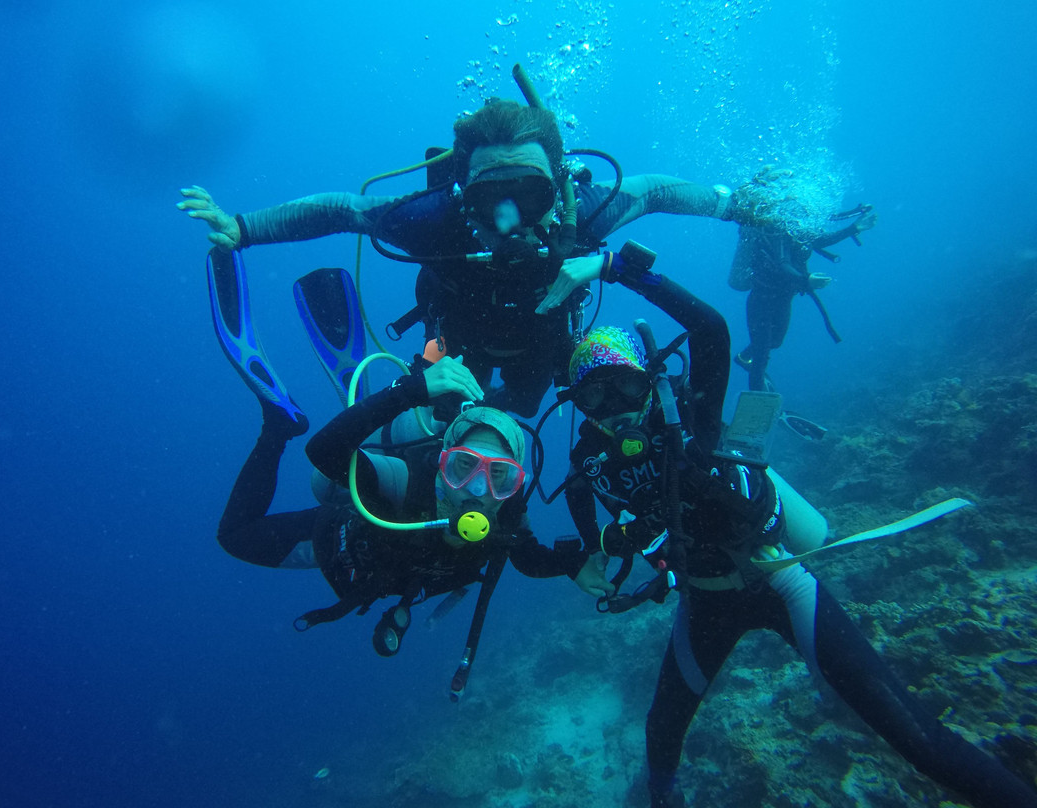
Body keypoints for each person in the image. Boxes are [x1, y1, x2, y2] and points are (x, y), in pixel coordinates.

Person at [552, 246, 1037, 808]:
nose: (614, 407)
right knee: (660, 734)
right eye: (593, 396)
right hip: (702, 603)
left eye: (627, 387)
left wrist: (619, 269)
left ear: (651, 381)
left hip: (779, 579)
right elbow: (579, 492)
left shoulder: (693, 421)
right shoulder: (592, 458)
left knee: (914, 736)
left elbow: (710, 329)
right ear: (579, 407)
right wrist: (593, 549)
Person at [178, 76, 765, 417]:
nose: (510, 219)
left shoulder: (582, 210)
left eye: (528, 194)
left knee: (528, 403)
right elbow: (346, 209)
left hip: (544, 339)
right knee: (442, 413)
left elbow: (656, 190)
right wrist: (243, 227)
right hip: (453, 336)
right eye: (492, 197)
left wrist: (736, 203)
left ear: (559, 186)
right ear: (462, 194)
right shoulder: (432, 220)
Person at [207, 248, 612, 698]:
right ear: (441, 466)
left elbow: (526, 557)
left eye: (498, 476)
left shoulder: (506, 510)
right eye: (463, 466)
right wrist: (411, 390)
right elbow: (324, 452)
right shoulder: (407, 480)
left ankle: (379, 409)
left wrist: (573, 564)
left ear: (515, 483)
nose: (478, 489)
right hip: (340, 548)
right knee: (241, 532)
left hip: (385, 581)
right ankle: (278, 425)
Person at [728, 167, 878, 395]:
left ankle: (742, 358)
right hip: (763, 297)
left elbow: (818, 239)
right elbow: (781, 263)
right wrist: (806, 279)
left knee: (775, 342)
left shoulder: (793, 219)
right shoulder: (772, 223)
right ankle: (756, 403)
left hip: (784, 295)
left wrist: (855, 227)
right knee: (761, 354)